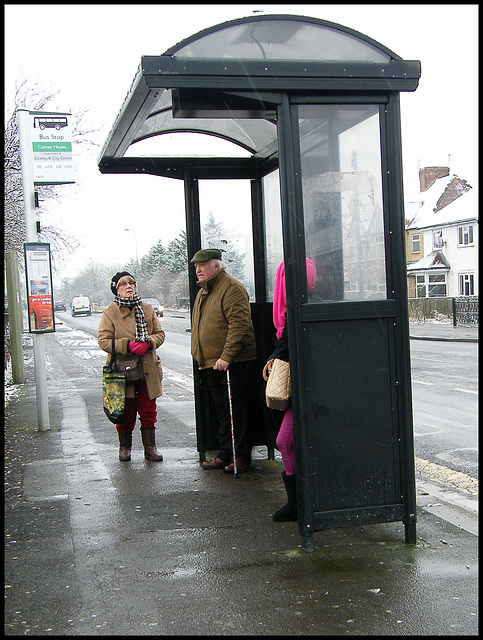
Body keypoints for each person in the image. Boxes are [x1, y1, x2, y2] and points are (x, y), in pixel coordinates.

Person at [190, 249, 257, 474]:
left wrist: (226, 356)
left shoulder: (231, 288)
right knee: (222, 411)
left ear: (216, 266)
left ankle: (241, 456)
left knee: (237, 412)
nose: (198, 270)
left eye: (202, 265)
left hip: (233, 363)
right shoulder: (204, 291)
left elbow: (239, 324)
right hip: (211, 363)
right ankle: (225, 453)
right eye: (196, 266)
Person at [98, 271, 165, 462]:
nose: (128, 286)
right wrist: (127, 345)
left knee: (148, 410)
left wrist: (149, 342)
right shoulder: (109, 312)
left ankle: (150, 448)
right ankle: (125, 448)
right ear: (116, 289)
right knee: (125, 411)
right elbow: (103, 341)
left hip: (147, 368)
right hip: (122, 372)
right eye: (123, 284)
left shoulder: (147, 309)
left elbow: (160, 334)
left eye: (131, 283)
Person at [270, 259, 317, 522]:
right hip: (302, 389)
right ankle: (298, 502)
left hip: (311, 392)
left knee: (287, 441)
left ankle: (303, 504)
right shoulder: (292, 313)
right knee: (286, 442)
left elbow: (284, 349)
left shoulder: (300, 310)